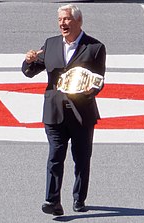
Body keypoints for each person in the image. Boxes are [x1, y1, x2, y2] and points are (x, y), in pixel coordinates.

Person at [22, 4, 106, 216]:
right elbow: (30, 72)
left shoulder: (95, 47)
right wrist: (28, 61)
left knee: (81, 157)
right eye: (60, 19)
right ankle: (52, 201)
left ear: (78, 21)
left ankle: (79, 197)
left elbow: (98, 81)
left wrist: (88, 91)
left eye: (67, 19)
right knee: (55, 156)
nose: (62, 23)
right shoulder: (50, 44)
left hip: (81, 113)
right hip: (54, 111)